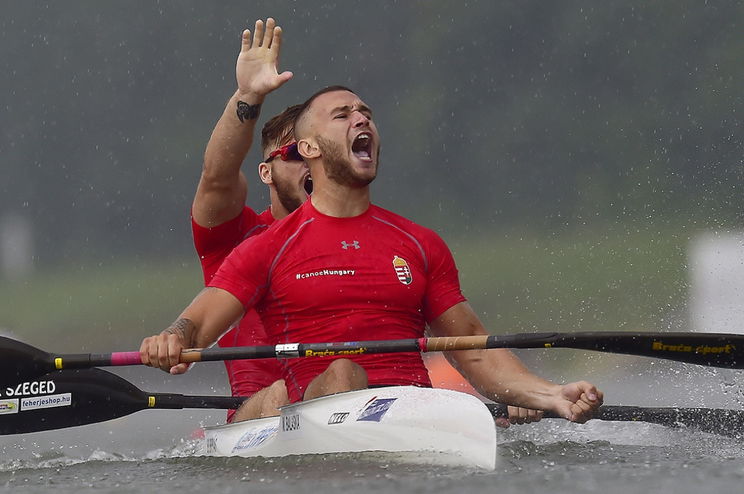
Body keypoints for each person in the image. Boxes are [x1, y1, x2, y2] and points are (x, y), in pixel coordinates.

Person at [142, 85, 604, 424]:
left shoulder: (420, 243)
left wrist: (551, 394)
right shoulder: (264, 247)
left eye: (365, 113)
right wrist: (170, 338)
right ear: (308, 149)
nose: (361, 119)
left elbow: (474, 349)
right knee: (344, 371)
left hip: (408, 413)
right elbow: (194, 326)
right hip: (305, 411)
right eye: (342, 115)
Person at [190, 18, 307, 422]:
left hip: (350, 396)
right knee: (284, 391)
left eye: (317, 152)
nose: (308, 162)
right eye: (293, 154)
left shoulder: (374, 238)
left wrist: (513, 391)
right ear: (266, 172)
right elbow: (217, 177)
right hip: (258, 414)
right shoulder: (236, 237)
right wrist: (248, 97)